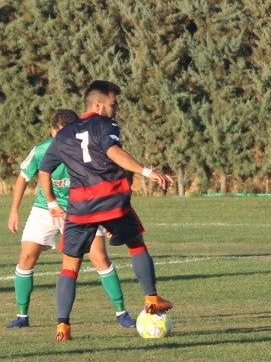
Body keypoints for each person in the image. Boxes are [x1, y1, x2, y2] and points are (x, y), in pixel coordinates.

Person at [37, 80, 174, 341]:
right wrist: (147, 171)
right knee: (136, 244)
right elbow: (113, 151)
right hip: (112, 200)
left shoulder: (63, 135)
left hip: (80, 208)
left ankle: (63, 327)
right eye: (113, 103)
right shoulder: (105, 124)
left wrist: (52, 203)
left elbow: (44, 170)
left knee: (70, 266)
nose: (116, 108)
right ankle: (152, 298)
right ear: (98, 105)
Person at [7, 108, 137, 331]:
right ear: (53, 132)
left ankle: (121, 313)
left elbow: (105, 184)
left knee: (99, 257)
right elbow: (23, 177)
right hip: (46, 207)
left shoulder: (90, 151)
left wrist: (108, 218)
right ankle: (21, 315)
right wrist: (14, 210)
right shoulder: (42, 150)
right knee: (26, 256)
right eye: (61, 134)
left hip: (83, 208)